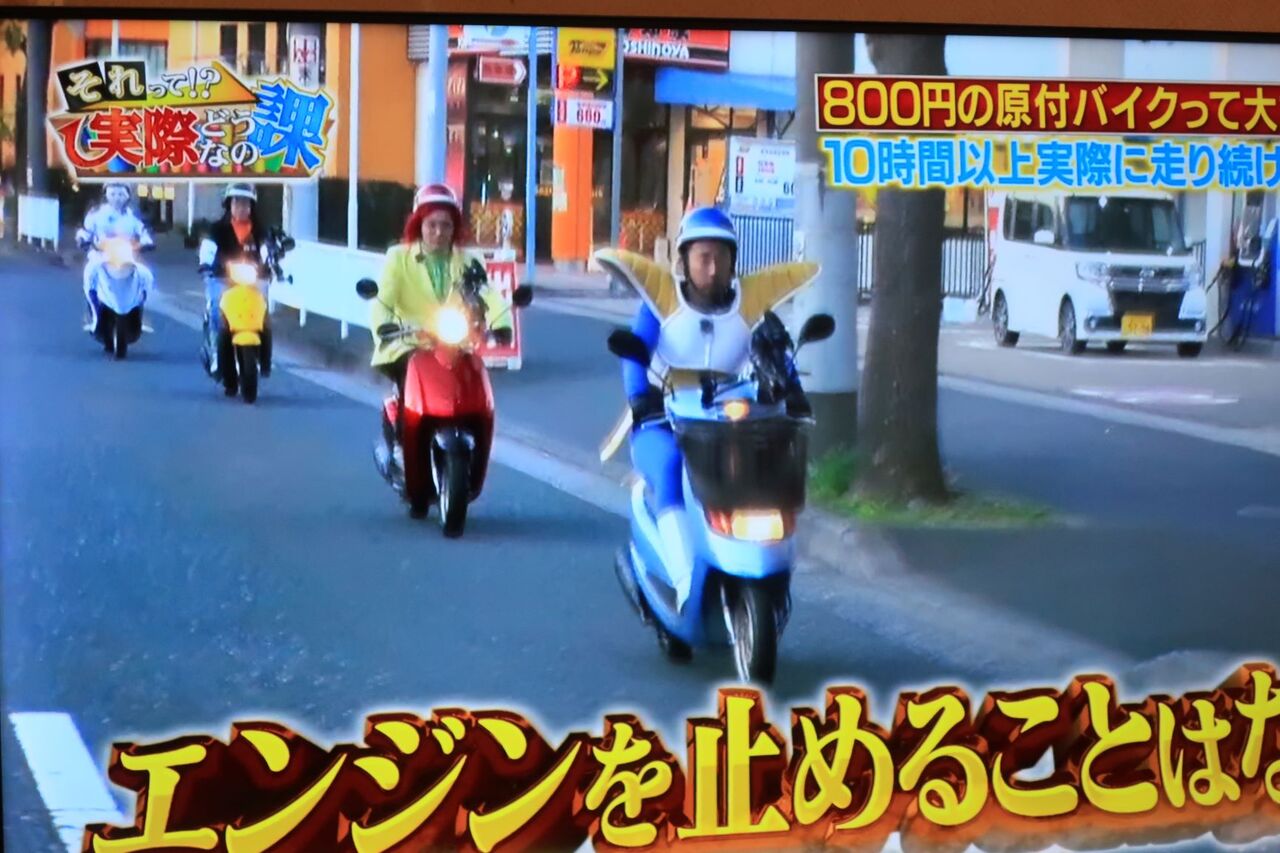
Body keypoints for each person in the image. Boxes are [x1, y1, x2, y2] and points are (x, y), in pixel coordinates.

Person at [595, 207, 818, 613]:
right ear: (684, 260)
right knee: (669, 467)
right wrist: (640, 397)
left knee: (766, 471)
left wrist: (794, 392)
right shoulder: (660, 305)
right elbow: (635, 353)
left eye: (722, 257)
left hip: (730, 421)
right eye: (703, 258)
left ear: (734, 261)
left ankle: (767, 570)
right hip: (663, 418)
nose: (713, 269)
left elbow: (777, 354)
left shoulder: (751, 307)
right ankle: (683, 580)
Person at [370, 183, 513, 476]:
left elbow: (487, 293)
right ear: (419, 225)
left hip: (455, 340)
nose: (438, 232)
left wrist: (502, 323)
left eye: (446, 225)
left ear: (455, 228)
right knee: (409, 374)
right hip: (409, 340)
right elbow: (383, 300)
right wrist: (384, 326)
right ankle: (400, 446)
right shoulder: (398, 257)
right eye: (432, 225)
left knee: (471, 378)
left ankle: (473, 440)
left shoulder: (469, 260)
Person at [198, 183, 274, 385]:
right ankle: (216, 354)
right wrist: (206, 264)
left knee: (263, 313)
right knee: (216, 310)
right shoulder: (217, 229)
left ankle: (265, 359)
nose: (241, 207)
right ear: (229, 205)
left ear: (252, 206)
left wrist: (271, 262)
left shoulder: (260, 231)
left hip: (253, 280)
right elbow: (208, 249)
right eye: (237, 203)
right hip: (222, 279)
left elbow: (267, 250)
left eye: (246, 203)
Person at [77, 182, 155, 331]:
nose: (117, 198)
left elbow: (144, 232)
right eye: (113, 194)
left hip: (127, 256)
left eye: (120, 194)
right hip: (100, 255)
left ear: (127, 196)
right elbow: (85, 231)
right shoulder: (97, 214)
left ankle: (140, 314)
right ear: (106, 195)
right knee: (89, 274)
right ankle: (94, 315)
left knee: (146, 276)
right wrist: (83, 240)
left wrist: (147, 242)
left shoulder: (133, 216)